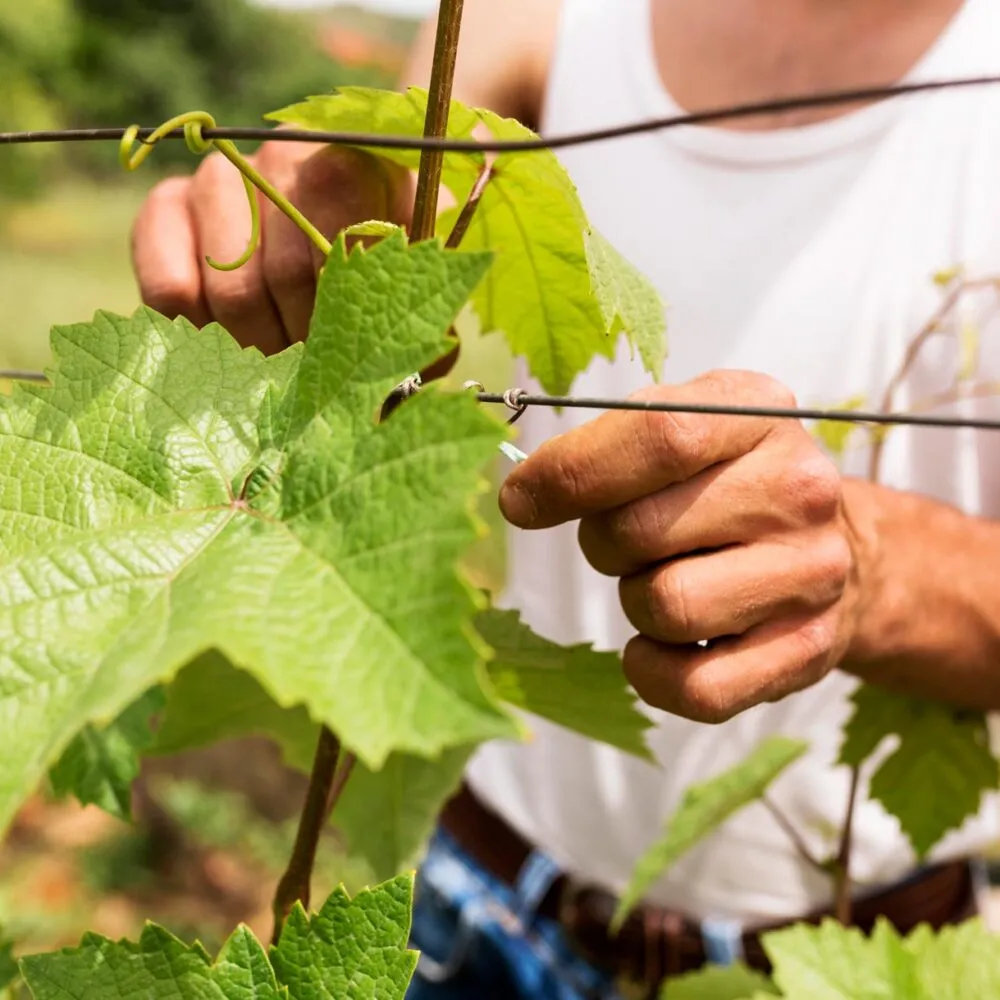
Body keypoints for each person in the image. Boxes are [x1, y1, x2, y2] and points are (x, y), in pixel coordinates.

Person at [131, 0, 1000, 996]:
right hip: (479, 909)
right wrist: (304, 204)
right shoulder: (547, 12)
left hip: (847, 960)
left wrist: (874, 566)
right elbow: (401, 160)